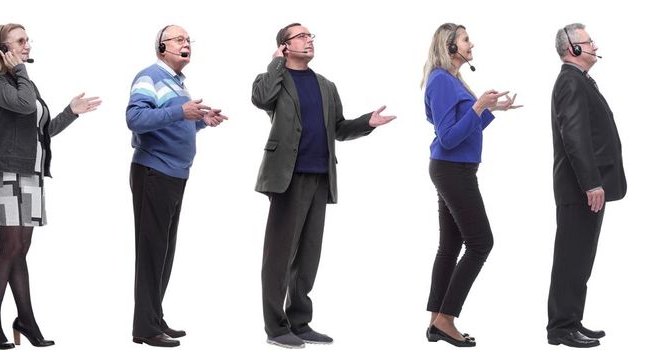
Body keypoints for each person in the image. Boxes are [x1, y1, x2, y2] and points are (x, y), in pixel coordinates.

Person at [251, 22, 396, 349]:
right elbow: (261, 98)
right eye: (301, 36)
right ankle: (276, 328)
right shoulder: (274, 79)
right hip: (287, 177)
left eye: (310, 35)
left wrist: (366, 123)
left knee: (308, 255)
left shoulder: (326, 85)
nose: (309, 40)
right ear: (285, 46)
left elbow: (339, 128)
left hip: (320, 176)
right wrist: (275, 61)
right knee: (279, 255)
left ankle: (300, 322)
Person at [0, 22, 101, 349]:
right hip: (7, 171)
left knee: (21, 250)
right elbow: (23, 105)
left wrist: (70, 113)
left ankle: (25, 320)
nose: (28, 45)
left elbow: (41, 131)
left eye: (27, 39)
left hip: (31, 174)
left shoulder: (22, 82)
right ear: (3, 48)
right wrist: (20, 71)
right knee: (9, 247)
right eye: (20, 41)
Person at [419, 23, 520, 347]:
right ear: (450, 46)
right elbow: (448, 137)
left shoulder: (449, 79)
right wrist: (478, 106)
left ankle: (436, 320)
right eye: (465, 39)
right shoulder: (441, 81)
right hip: (453, 170)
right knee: (481, 243)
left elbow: (463, 131)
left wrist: (489, 109)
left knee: (450, 245)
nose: (471, 43)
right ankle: (447, 318)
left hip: (454, 167)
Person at [128, 24, 227, 348]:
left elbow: (172, 122)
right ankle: (144, 327)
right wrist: (179, 111)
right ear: (161, 46)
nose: (187, 44)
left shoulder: (177, 83)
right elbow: (135, 119)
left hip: (174, 175)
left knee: (165, 251)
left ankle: (154, 318)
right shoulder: (149, 77)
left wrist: (199, 120)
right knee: (152, 251)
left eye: (189, 40)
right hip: (153, 173)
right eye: (180, 40)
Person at [546, 23, 625, 349]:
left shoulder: (578, 81)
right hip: (580, 189)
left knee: (580, 260)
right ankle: (561, 328)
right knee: (570, 259)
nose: (594, 44)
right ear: (572, 49)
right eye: (587, 41)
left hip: (587, 189)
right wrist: (592, 183)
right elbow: (575, 137)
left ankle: (572, 320)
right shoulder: (570, 82)